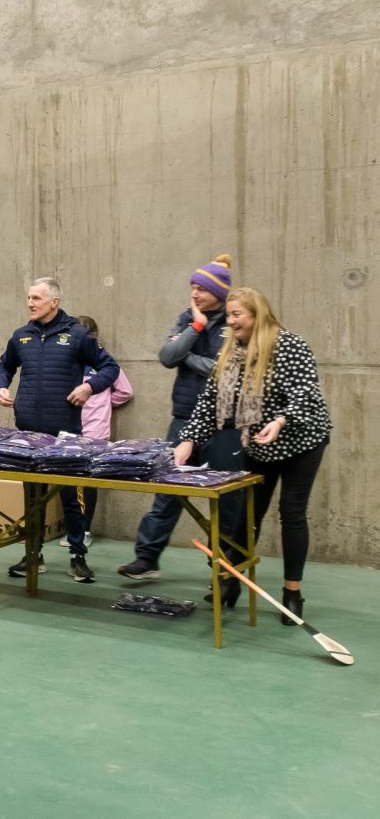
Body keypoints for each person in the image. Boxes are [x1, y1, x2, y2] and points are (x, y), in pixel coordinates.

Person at [174, 287, 331, 621]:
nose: (230, 323)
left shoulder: (289, 345)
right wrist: (189, 439)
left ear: (257, 316)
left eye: (236, 316)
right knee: (249, 515)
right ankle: (232, 580)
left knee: (292, 511)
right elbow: (209, 402)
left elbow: (306, 394)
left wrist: (280, 420)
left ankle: (293, 593)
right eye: (228, 316)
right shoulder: (231, 352)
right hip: (258, 441)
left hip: (301, 439)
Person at [117, 256, 244, 581]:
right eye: (193, 287)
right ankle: (147, 559)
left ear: (219, 291)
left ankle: (225, 570)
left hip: (225, 425)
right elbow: (167, 356)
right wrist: (196, 326)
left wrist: (190, 357)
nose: (196, 294)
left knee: (228, 501)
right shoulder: (189, 318)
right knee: (167, 490)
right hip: (184, 420)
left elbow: (225, 369)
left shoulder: (235, 323)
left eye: (202, 288)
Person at [0, 277, 120, 582]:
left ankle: (78, 556)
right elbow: (4, 365)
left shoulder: (77, 335)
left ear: (54, 302)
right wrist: (1, 387)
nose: (30, 303)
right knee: (32, 497)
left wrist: (89, 387)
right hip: (29, 434)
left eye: (37, 298)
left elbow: (110, 368)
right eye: (28, 297)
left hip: (66, 436)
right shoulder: (21, 335)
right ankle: (33, 555)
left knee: (70, 498)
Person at [72, 315, 134, 546]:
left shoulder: (104, 362)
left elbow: (125, 391)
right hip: (70, 431)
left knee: (88, 483)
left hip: (95, 433)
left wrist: (106, 400)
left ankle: (85, 531)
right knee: (68, 484)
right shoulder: (69, 361)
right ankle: (72, 530)